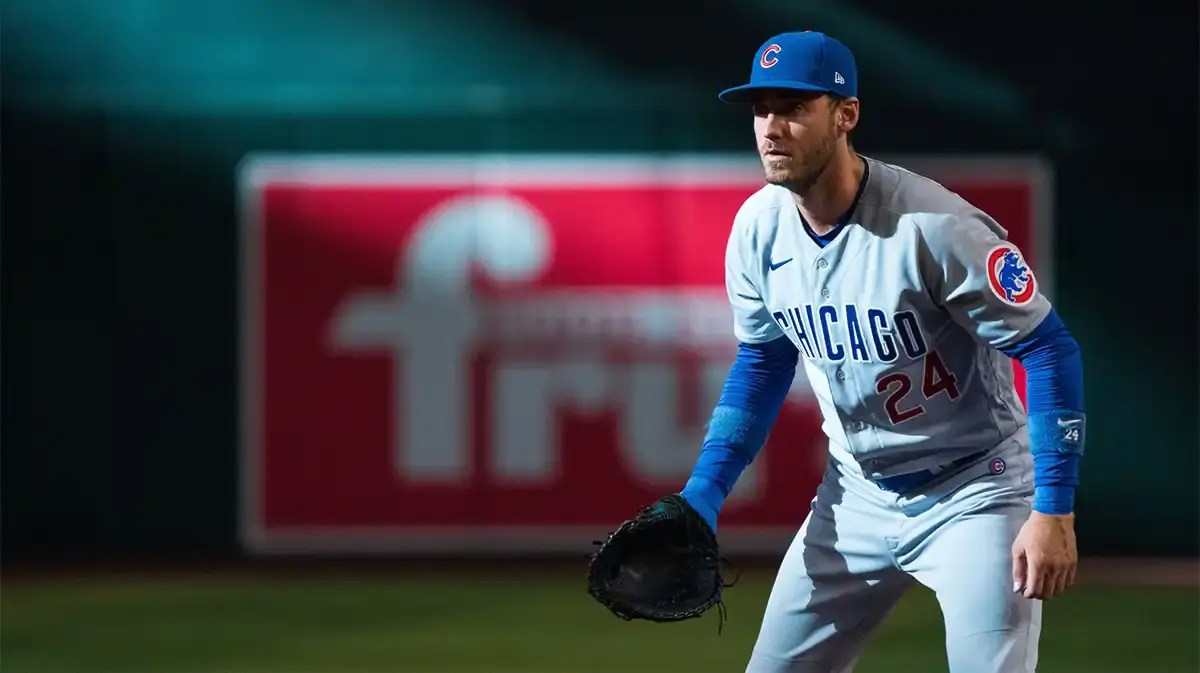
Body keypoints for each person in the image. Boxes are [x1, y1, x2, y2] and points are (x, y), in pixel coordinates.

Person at [677, 30, 1086, 672]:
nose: (771, 127)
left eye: (792, 107)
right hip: (855, 495)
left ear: (846, 114)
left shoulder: (935, 227)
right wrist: (704, 490)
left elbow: (1050, 350)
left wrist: (1054, 509)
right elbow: (762, 362)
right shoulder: (758, 228)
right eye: (760, 109)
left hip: (975, 491)